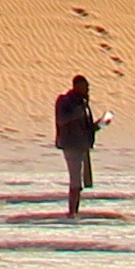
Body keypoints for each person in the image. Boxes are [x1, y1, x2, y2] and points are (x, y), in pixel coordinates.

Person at [52, 75, 102, 217]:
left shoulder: (83, 103)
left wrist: (99, 125)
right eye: (85, 87)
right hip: (71, 145)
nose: (87, 90)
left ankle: (75, 211)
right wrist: (78, 111)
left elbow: (87, 127)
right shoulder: (65, 101)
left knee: (83, 181)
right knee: (75, 180)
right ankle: (72, 212)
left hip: (83, 145)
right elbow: (61, 119)